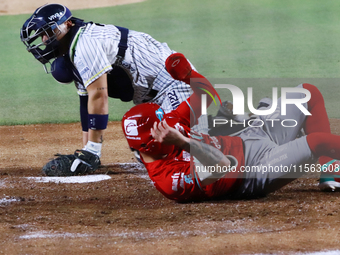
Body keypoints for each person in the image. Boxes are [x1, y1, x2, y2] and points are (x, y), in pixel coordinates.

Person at [122, 52, 340, 202]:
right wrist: (184, 142)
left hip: (249, 137)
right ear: (150, 145)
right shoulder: (169, 181)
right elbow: (222, 165)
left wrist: (190, 76)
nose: (169, 122)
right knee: (317, 141)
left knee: (307, 92)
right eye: (162, 125)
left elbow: (206, 96)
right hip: (255, 170)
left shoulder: (170, 123)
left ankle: (330, 169)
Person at [20, 3, 199, 175]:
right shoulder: (72, 54)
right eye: (42, 34)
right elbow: (86, 103)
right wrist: (88, 153)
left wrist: (93, 149)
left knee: (184, 156)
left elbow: (99, 96)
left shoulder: (85, 45)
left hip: (174, 82)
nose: (44, 39)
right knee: (146, 148)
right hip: (153, 95)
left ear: (68, 23)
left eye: (49, 31)